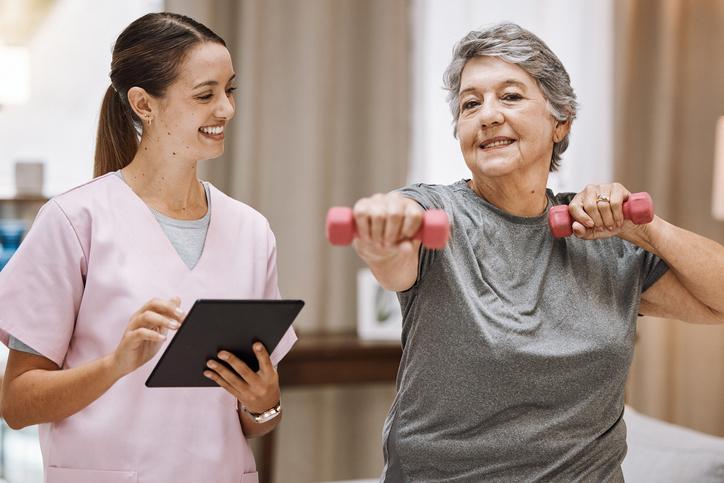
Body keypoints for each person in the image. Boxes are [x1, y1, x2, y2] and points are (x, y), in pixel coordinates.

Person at [349, 23, 724, 482]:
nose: (488, 115)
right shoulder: (436, 213)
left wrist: (645, 230)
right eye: (471, 104)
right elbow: (392, 260)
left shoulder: (601, 236)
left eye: (509, 97)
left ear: (560, 119)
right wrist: (382, 232)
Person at [0, 12, 295, 483]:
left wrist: (264, 403)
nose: (226, 109)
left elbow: (254, 418)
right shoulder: (75, 222)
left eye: (229, 90)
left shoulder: (252, 232)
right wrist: (114, 365)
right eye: (205, 94)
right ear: (143, 103)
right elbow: (15, 403)